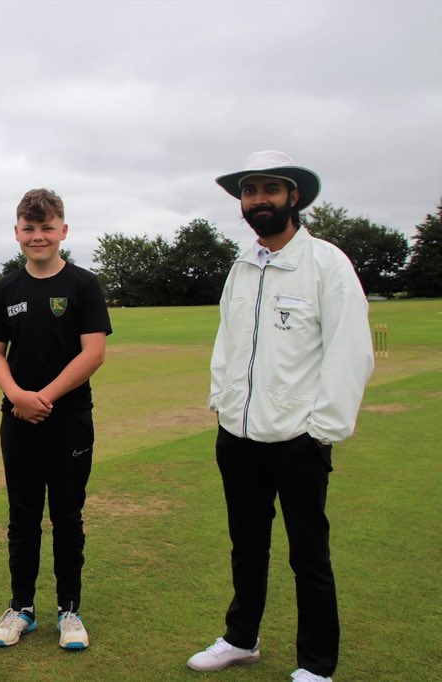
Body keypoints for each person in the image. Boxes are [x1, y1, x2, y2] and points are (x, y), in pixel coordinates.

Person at [187, 152, 374, 682]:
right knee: (246, 547)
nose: (258, 200)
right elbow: (227, 342)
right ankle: (240, 638)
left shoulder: (327, 264)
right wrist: (221, 405)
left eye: (270, 190)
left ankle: (316, 664)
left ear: (293, 197)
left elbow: (350, 352)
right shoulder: (242, 266)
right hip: (238, 435)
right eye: (250, 191)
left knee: (308, 556)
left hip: (298, 439)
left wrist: (322, 431)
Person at [0, 188, 112, 650]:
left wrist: (44, 398)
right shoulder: (6, 290)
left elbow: (93, 353)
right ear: (17, 232)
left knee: (67, 515)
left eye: (47, 228)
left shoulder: (83, 285)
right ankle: (21, 609)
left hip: (69, 419)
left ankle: (69, 612)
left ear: (63, 231)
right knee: (22, 517)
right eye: (29, 228)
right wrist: (17, 395)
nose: (38, 236)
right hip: (17, 418)